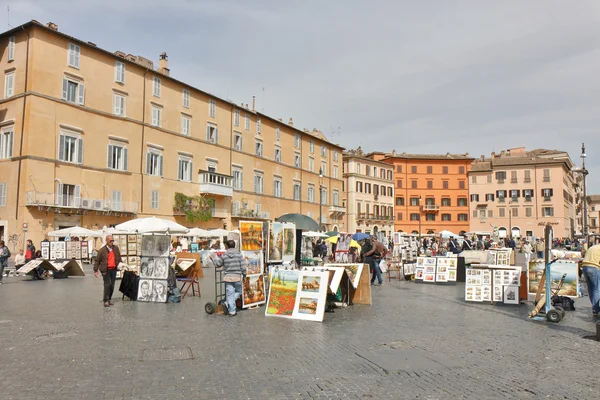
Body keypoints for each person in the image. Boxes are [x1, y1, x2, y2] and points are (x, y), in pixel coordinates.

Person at [212, 240, 247, 316]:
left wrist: (214, 259)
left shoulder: (224, 255)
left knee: (230, 293)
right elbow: (243, 267)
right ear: (234, 246)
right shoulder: (239, 255)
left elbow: (218, 264)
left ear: (227, 246)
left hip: (228, 277)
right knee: (239, 291)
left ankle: (231, 310)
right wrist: (244, 275)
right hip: (237, 277)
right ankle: (228, 304)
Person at [93, 235, 122, 307]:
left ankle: (109, 299)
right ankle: (105, 300)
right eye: (110, 241)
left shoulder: (116, 248)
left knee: (112, 285)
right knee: (107, 284)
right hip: (105, 270)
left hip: (114, 269)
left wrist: (121, 264)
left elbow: (118, 257)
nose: (112, 242)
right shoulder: (102, 250)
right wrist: (95, 270)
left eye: (113, 240)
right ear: (106, 241)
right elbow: (97, 261)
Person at [581, 244, 600, 317]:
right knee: (596, 289)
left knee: (590, 288)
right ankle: (596, 308)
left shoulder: (593, 247)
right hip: (594, 267)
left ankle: (594, 308)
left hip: (585, 267)